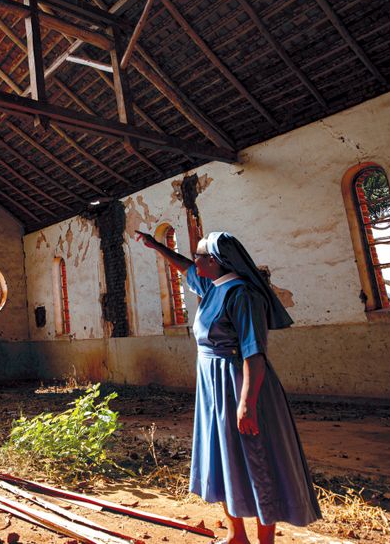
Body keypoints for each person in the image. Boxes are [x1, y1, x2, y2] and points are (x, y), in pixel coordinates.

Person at [134, 230, 321, 544]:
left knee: (257, 457)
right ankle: (237, 536)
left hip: (240, 385)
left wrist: (247, 401)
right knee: (224, 457)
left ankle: (265, 541)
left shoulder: (243, 295)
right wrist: (157, 247)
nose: (195, 262)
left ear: (216, 261)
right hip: (214, 387)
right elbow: (184, 268)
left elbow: (254, 352)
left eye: (200, 256)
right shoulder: (212, 286)